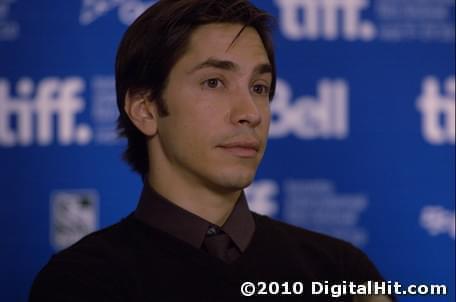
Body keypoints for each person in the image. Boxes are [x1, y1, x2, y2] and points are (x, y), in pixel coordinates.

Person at [30, 1, 392, 301]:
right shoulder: (83, 283)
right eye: (214, 82)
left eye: (260, 87)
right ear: (145, 108)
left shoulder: (341, 273)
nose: (250, 113)